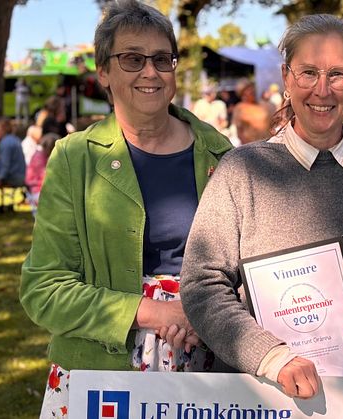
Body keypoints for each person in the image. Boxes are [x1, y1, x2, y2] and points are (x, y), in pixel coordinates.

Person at [19, 1, 232, 417]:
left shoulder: (221, 154)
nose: (150, 72)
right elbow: (43, 289)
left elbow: (246, 271)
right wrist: (153, 312)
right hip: (99, 375)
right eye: (132, 59)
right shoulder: (74, 158)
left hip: (207, 366)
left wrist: (202, 311)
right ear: (104, 72)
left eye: (161, 59)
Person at [180, 14, 343, 400]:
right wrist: (270, 357)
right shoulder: (243, 170)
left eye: (337, 74)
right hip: (253, 394)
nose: (322, 89)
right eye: (308, 73)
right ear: (286, 78)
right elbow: (202, 285)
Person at [24, 132, 60, 217]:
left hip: (38, 190)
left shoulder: (40, 155)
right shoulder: (39, 158)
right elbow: (46, 178)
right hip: (38, 191)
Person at [0, 118, 26, 188]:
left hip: (12, 179)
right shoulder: (16, 139)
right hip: (21, 177)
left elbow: (5, 165)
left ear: (2, 129)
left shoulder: (5, 143)